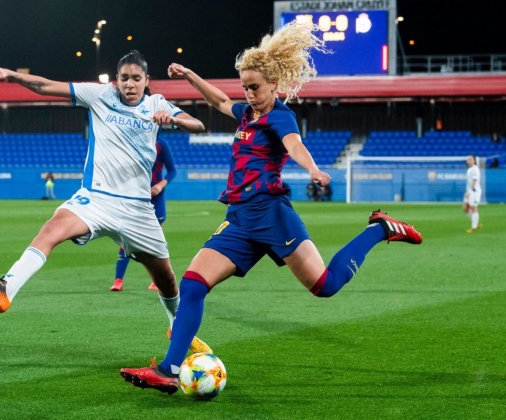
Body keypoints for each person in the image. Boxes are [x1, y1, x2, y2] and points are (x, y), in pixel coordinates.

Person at [120, 22, 423, 394]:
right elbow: (217, 100)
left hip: (271, 215)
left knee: (324, 286)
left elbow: (294, 144)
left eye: (255, 87)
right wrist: (189, 75)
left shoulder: (279, 116)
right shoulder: (247, 114)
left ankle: (379, 229)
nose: (248, 93)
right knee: (194, 283)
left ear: (274, 86)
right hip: (240, 220)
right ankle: (168, 369)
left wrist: (312, 168)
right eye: (245, 86)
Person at [0, 50, 211, 353]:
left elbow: (198, 124)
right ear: (116, 80)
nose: (130, 84)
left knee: (165, 279)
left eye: (136, 78)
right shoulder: (99, 95)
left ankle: (180, 332)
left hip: (137, 209)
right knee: (52, 228)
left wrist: (174, 121)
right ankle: (6, 287)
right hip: (96, 198)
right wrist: (13, 74)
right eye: (124, 78)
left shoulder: (156, 104)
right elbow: (47, 86)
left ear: (146, 81)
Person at [111, 135, 177, 292]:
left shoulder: (161, 144)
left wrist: (161, 185)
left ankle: (156, 281)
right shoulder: (131, 141)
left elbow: (172, 170)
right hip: (135, 198)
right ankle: (118, 280)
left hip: (156, 198)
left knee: (154, 240)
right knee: (126, 237)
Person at [463, 154, 482, 233]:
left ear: (474, 160)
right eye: (468, 159)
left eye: (471, 159)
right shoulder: (469, 169)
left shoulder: (475, 169)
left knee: (473, 208)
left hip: (474, 192)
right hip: (469, 191)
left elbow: (474, 181)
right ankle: (476, 222)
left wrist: (469, 191)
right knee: (465, 209)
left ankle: (474, 227)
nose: (469, 161)